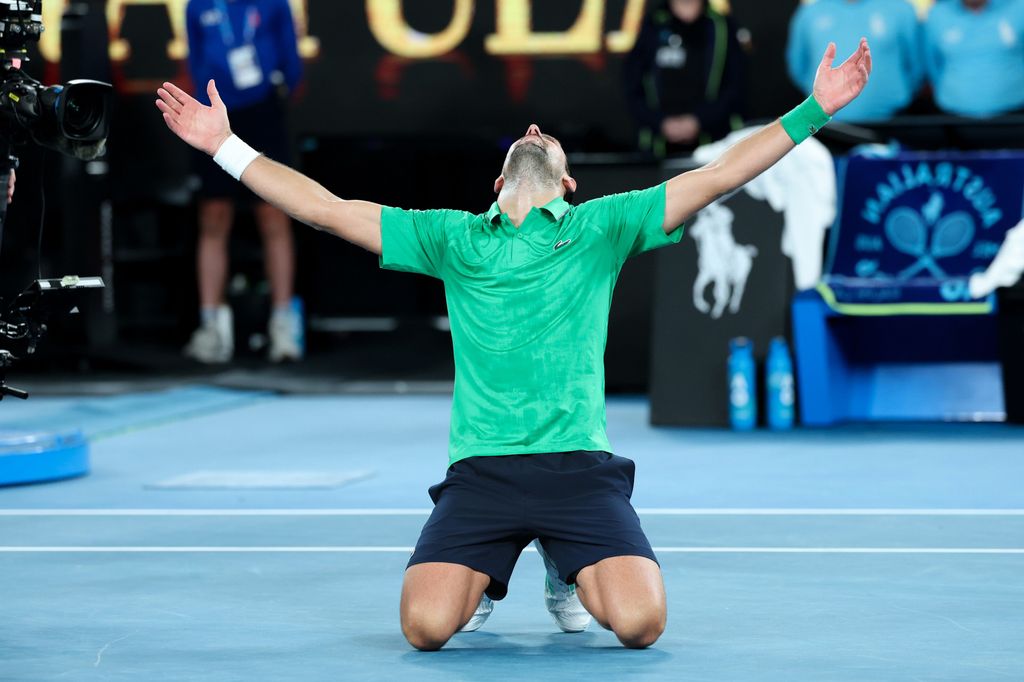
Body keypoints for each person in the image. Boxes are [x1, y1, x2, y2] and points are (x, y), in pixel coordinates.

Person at [155, 38, 872, 650]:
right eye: (524, 134)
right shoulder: (453, 236)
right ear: (499, 181)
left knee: (641, 624)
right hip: (483, 474)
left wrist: (815, 111)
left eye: (547, 135)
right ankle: (495, 564)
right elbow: (325, 210)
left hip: (580, 473)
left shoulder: (602, 227)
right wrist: (224, 145)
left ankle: (565, 566)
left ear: (566, 180)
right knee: (426, 629)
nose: (532, 125)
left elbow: (719, 175)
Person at [184, 0, 304, 363]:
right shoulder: (198, 6)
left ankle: (283, 325)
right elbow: (195, 59)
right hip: (216, 114)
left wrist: (274, 94)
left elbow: (291, 60)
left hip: (263, 111)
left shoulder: (273, 4)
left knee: (274, 213)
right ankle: (211, 328)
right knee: (214, 217)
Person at [623, 0, 746, 155]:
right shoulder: (653, 24)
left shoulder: (722, 26)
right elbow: (632, 86)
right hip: (657, 149)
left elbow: (737, 87)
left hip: (715, 149)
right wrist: (661, 122)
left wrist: (699, 120)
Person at [788, 0, 920, 122]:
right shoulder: (809, 13)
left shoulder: (902, 10)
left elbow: (917, 67)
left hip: (893, 124)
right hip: (824, 127)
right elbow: (799, 68)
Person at [924, 0, 1024, 117]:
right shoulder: (938, 13)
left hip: (1014, 112)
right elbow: (931, 62)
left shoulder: (1018, 7)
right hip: (953, 113)